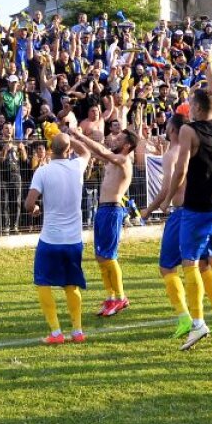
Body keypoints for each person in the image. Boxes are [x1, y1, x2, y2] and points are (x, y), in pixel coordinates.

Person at [152, 75, 212, 351]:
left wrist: (166, 201)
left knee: (190, 263)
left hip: (196, 206)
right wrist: (210, 71)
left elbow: (182, 169)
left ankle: (198, 323)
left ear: (196, 108)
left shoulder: (188, 130)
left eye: (190, 103)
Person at [23, 132, 88, 344]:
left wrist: (34, 209)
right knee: (71, 284)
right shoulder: (77, 166)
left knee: (43, 282)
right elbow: (86, 151)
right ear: (68, 150)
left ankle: (56, 332)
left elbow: (29, 203)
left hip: (50, 239)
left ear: (51, 148)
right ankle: (77, 331)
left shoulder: (43, 171)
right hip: (74, 239)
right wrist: (70, 136)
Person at [69, 127, 137, 317]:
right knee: (100, 256)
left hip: (113, 210)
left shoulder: (123, 160)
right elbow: (93, 151)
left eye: (119, 139)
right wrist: (69, 139)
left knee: (109, 256)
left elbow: (101, 151)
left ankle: (120, 297)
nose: (114, 140)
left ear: (127, 145)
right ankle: (111, 297)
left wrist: (79, 135)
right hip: (103, 210)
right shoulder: (113, 159)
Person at [140, 114, 194, 339]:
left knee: (167, 267)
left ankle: (185, 317)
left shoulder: (172, 154)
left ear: (172, 130)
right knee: (202, 264)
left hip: (181, 213)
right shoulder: (194, 149)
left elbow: (166, 188)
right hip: (199, 211)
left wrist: (149, 210)